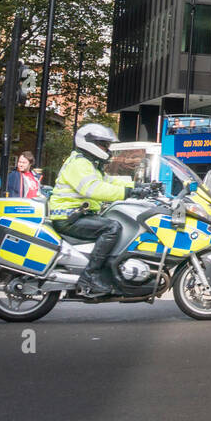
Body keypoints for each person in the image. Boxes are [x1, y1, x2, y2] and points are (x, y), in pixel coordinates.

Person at [47, 123, 133, 294]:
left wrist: (138, 186)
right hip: (68, 217)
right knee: (112, 228)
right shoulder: (79, 164)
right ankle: (90, 276)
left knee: (113, 222)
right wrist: (126, 192)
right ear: (89, 143)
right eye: (103, 144)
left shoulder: (88, 164)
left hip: (76, 215)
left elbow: (108, 181)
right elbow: (94, 189)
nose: (106, 149)